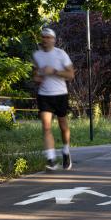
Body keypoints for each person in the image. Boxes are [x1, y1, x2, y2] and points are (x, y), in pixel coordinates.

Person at [32, 28, 75, 171]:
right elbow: (35, 75)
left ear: (53, 39)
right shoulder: (37, 55)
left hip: (60, 94)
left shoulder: (61, 54)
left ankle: (66, 151)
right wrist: (38, 77)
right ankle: (51, 159)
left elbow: (71, 75)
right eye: (43, 37)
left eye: (48, 37)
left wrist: (55, 71)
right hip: (44, 95)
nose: (45, 39)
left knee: (63, 126)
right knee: (46, 126)